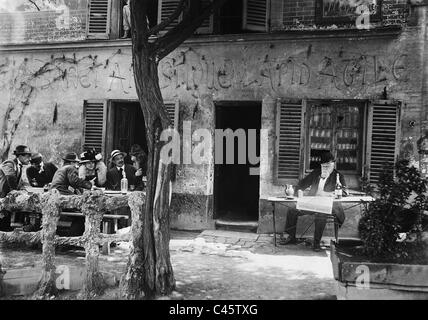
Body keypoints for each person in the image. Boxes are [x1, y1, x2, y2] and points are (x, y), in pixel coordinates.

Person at [280, 151, 348, 251]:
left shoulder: (338, 176)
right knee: (292, 209)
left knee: (321, 213)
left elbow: (345, 192)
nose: (327, 167)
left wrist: (328, 194)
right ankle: (291, 237)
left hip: (330, 206)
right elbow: (301, 185)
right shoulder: (316, 173)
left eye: (330, 164)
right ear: (321, 165)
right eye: (325, 165)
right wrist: (295, 191)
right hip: (313, 203)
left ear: (333, 164)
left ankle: (316, 244)